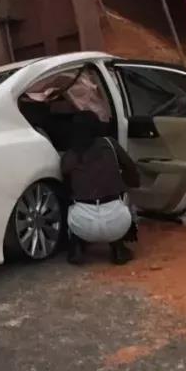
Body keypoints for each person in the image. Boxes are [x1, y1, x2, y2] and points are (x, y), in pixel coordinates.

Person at [61, 112, 141, 266]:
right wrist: (128, 183)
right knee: (126, 198)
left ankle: (75, 247)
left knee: (71, 202)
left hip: (82, 224)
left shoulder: (69, 156)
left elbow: (66, 186)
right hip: (117, 222)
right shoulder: (110, 144)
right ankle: (119, 247)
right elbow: (131, 169)